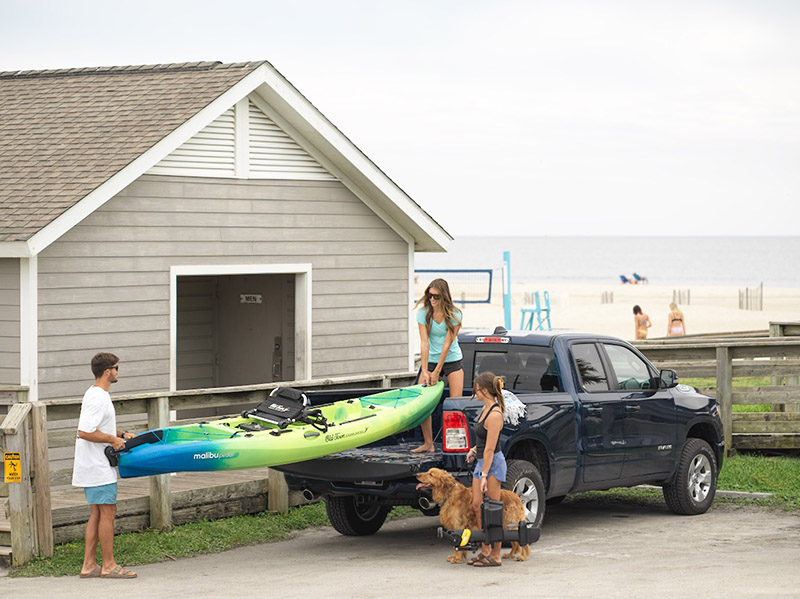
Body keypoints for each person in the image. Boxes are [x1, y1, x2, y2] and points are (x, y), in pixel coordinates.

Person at [72, 352, 137, 579]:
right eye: (117, 368)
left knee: (97, 514)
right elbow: (84, 432)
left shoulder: (95, 394)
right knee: (107, 512)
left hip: (93, 465)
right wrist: (113, 440)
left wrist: (121, 433)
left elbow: (97, 425)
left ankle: (89, 565)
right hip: (97, 466)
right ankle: (108, 565)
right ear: (108, 371)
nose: (118, 372)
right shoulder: (98, 397)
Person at [411, 278, 464, 453]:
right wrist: (426, 370)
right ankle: (428, 443)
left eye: (436, 296)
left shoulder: (455, 315)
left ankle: (454, 445)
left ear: (444, 297)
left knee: (454, 405)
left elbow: (447, 344)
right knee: (423, 402)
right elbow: (424, 343)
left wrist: (437, 371)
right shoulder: (423, 313)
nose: (432, 299)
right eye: (429, 295)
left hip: (452, 359)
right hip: (430, 360)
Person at [464, 372, 507, 567]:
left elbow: (491, 448)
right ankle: (485, 549)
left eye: (476, 389)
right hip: (482, 461)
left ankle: (496, 554)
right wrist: (474, 449)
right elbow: (483, 441)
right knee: (477, 505)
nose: (474, 392)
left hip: (492, 464)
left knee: (492, 509)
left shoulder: (495, 414)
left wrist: (483, 475)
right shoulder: (484, 409)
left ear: (483, 390)